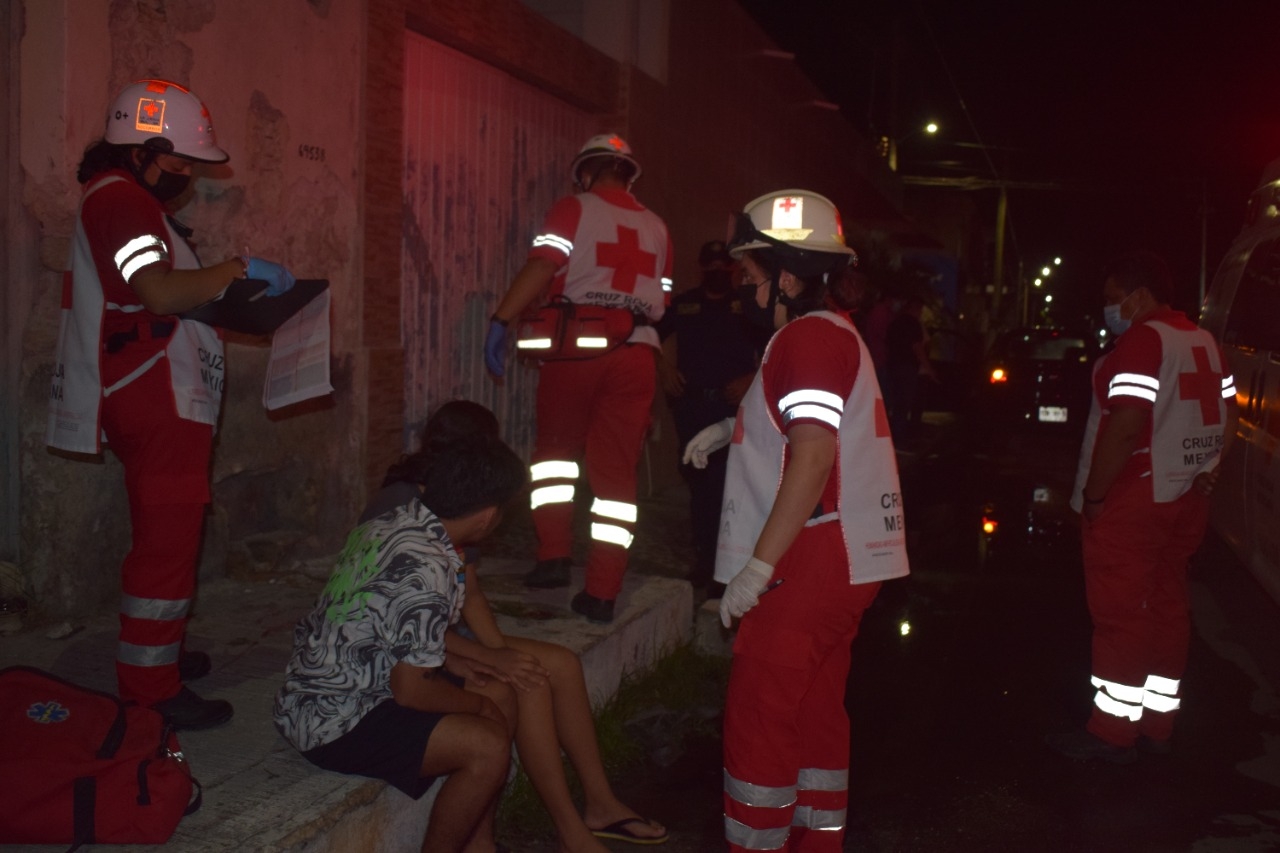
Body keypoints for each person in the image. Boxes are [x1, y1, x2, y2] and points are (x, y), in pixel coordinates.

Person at [46, 79, 297, 730]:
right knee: (165, 543)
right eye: (180, 162)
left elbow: (161, 293)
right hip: (152, 393)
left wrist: (237, 300)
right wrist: (234, 270)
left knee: (172, 539)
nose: (185, 177)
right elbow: (158, 293)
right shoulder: (121, 201)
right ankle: (151, 689)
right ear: (141, 150)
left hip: (161, 390)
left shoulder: (128, 202)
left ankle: (162, 657)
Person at [683, 191, 909, 852]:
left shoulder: (808, 338)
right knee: (813, 710)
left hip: (809, 557)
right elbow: (805, 425)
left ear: (787, 274)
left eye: (753, 275)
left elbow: (812, 456)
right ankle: (814, 842)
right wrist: (736, 429)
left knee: (760, 714)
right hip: (845, 554)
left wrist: (757, 568)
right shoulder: (831, 331)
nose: (745, 289)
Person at [409, 400, 668, 850]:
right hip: (428, 648)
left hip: (450, 637)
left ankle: (600, 803)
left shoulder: (457, 496)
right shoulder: (425, 506)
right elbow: (411, 626)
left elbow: (469, 593)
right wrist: (493, 658)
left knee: (560, 664)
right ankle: (568, 828)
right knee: (527, 682)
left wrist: (498, 652)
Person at [274, 426, 527, 853]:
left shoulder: (401, 519)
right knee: (487, 744)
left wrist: (456, 664)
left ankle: (480, 844)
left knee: (498, 692)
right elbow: (410, 691)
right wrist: (476, 705)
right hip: (335, 719)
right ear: (486, 517)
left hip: (345, 685)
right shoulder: (427, 567)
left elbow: (393, 624)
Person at [1047, 251, 1238, 764]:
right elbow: (1229, 412)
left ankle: (1112, 732)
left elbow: (1126, 424)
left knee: (1121, 616)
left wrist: (1093, 496)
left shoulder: (1142, 340)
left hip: (1134, 498)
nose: (1110, 309)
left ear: (1140, 295)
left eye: (1114, 299)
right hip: (1185, 496)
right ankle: (1158, 721)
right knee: (1168, 606)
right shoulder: (1203, 340)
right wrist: (1212, 463)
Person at [483, 134, 673, 624]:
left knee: (554, 464)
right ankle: (603, 591)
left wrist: (502, 319)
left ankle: (552, 559)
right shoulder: (657, 227)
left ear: (585, 173)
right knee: (616, 475)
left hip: (577, 350)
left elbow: (543, 264)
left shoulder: (574, 207)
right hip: (636, 353)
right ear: (630, 174)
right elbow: (663, 300)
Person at [656, 240, 765, 592]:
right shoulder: (685, 303)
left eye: (725, 265)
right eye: (712, 265)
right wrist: (665, 370)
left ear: (732, 269)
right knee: (700, 487)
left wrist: (751, 380)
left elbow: (774, 348)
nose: (719, 271)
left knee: (730, 487)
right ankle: (705, 562)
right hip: (693, 408)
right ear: (702, 267)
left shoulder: (747, 306)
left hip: (732, 409)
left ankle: (730, 563)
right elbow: (649, 337)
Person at [884, 295, 937, 443]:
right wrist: (928, 367)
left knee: (894, 402)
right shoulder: (913, 324)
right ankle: (898, 437)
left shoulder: (895, 322)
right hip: (907, 367)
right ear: (916, 309)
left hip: (893, 365)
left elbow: (888, 343)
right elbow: (917, 347)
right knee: (903, 403)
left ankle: (892, 435)